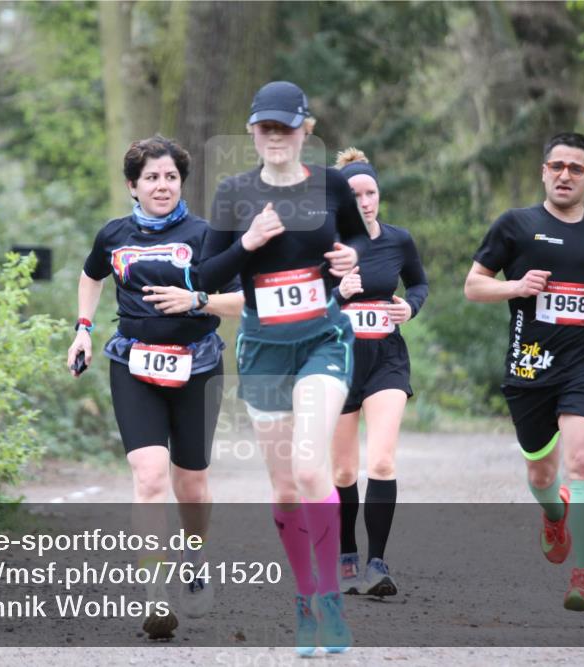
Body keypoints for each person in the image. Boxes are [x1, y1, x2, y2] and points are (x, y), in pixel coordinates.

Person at [197, 81, 366, 655]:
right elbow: (206, 278)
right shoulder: (233, 193)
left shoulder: (332, 185)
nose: (275, 136)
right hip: (264, 349)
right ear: (252, 132)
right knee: (286, 485)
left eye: (286, 126)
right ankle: (305, 599)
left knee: (311, 467)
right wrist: (248, 242)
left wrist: (350, 260)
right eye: (265, 127)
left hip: (323, 339)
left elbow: (356, 247)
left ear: (306, 129)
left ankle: (330, 603)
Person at [67, 135, 244, 637]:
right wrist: (83, 327)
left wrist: (196, 300)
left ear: (180, 182)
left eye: (170, 177)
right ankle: (155, 595)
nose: (162, 185)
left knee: (191, 483)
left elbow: (243, 301)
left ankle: (194, 557)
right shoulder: (113, 235)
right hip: (133, 363)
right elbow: (90, 276)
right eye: (151, 178)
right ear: (133, 185)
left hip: (198, 366)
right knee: (148, 477)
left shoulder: (207, 235)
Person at [463, 132, 584, 612]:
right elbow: (473, 286)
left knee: (581, 463)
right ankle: (553, 513)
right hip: (530, 366)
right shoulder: (515, 225)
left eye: (575, 169)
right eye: (556, 166)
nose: (565, 175)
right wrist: (516, 286)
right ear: (544, 171)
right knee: (541, 472)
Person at [330, 148, 428, 597]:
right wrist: (337, 293)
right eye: (356, 194)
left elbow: (419, 282)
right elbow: (301, 305)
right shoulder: (325, 245)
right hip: (336, 361)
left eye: (371, 193)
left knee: (382, 460)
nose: (365, 201)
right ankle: (347, 552)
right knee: (344, 472)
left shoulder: (398, 240)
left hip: (387, 358)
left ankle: (377, 564)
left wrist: (412, 305)